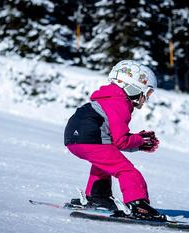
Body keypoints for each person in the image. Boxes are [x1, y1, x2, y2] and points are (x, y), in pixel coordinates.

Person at [64, 60, 166, 221]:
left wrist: (138, 143)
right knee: (127, 171)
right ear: (133, 87)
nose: (145, 99)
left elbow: (113, 139)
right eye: (147, 93)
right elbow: (121, 141)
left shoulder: (106, 99)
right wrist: (140, 140)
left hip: (74, 139)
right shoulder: (120, 103)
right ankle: (138, 205)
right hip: (91, 139)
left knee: (104, 163)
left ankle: (99, 197)